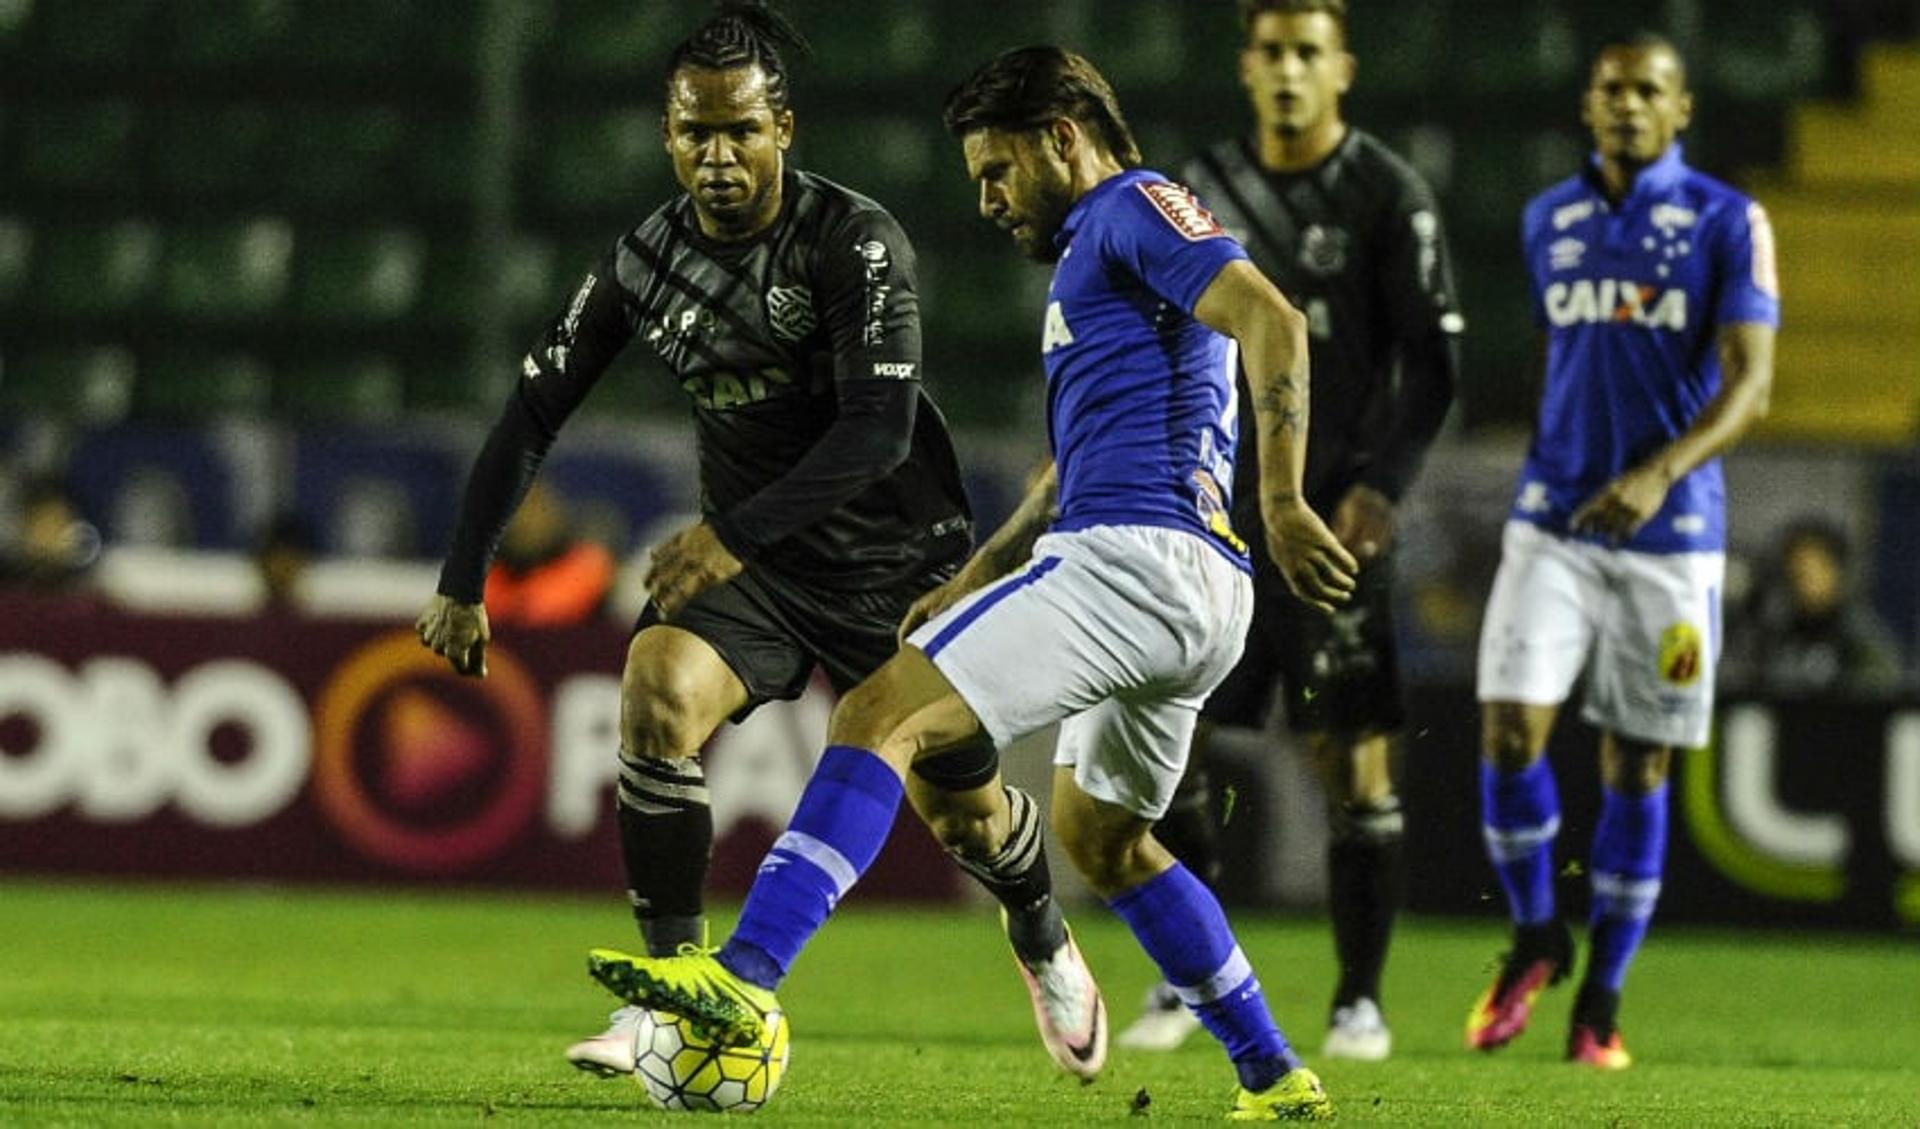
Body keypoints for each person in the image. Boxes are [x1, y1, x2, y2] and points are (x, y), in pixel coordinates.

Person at [583, 45, 1357, 1121]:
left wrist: (1283, 498)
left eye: (997, 170)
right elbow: (1070, 469)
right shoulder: (1106, 258)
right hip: (1200, 596)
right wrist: (983, 572)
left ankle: (743, 974)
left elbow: (1272, 316)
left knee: (875, 712)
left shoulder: (1137, 206)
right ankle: (1276, 1074)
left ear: (1062, 140)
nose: (989, 199)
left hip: (1135, 561)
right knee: (1103, 839)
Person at [415, 1, 1103, 1082]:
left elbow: (876, 431)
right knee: (653, 695)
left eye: (741, 129)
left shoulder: (854, 240)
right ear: (668, 136)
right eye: (697, 133)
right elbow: (530, 410)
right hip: (760, 572)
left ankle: (1039, 927)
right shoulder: (645, 259)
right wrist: (463, 578)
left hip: (895, 563)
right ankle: (679, 998)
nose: (719, 155)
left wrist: (730, 533)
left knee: (965, 820)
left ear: (784, 124)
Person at [1119, 0, 1462, 1061]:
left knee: (1351, 762)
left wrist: (1382, 487)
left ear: (1341, 70)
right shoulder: (1197, 190)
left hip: (1328, 525)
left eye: (1306, 52)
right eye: (1270, 51)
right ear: (1246, 65)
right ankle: (1189, 980)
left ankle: (1358, 998)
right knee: (1179, 748)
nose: (1286, 70)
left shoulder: (1383, 193)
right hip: (1211, 517)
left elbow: (1436, 365)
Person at [1467, 34, 1778, 1070]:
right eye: (1613, 90)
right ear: (1591, 106)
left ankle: (1600, 1001)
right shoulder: (1545, 218)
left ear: (1681, 108)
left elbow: (1750, 383)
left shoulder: (1732, 220)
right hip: (1551, 519)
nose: (1629, 105)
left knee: (1636, 761)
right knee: (1510, 732)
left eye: (1650, 90)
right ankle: (1534, 933)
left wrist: (1656, 473)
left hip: (1672, 539)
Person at [1731, 517, 1903, 695]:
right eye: (1798, 571)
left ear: (1838, 571)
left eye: (1816, 569)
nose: (1806, 581)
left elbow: (1882, 696)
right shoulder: (1773, 635)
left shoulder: (1864, 638)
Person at [483, 481, 616, 627]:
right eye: (519, 510)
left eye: (538, 507)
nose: (528, 519)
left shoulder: (588, 567)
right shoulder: (484, 579)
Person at [254, 511, 315, 613]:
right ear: (263, 561)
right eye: (277, 561)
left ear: (302, 563)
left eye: (289, 561)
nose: (282, 570)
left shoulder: (315, 620)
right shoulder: (240, 616)